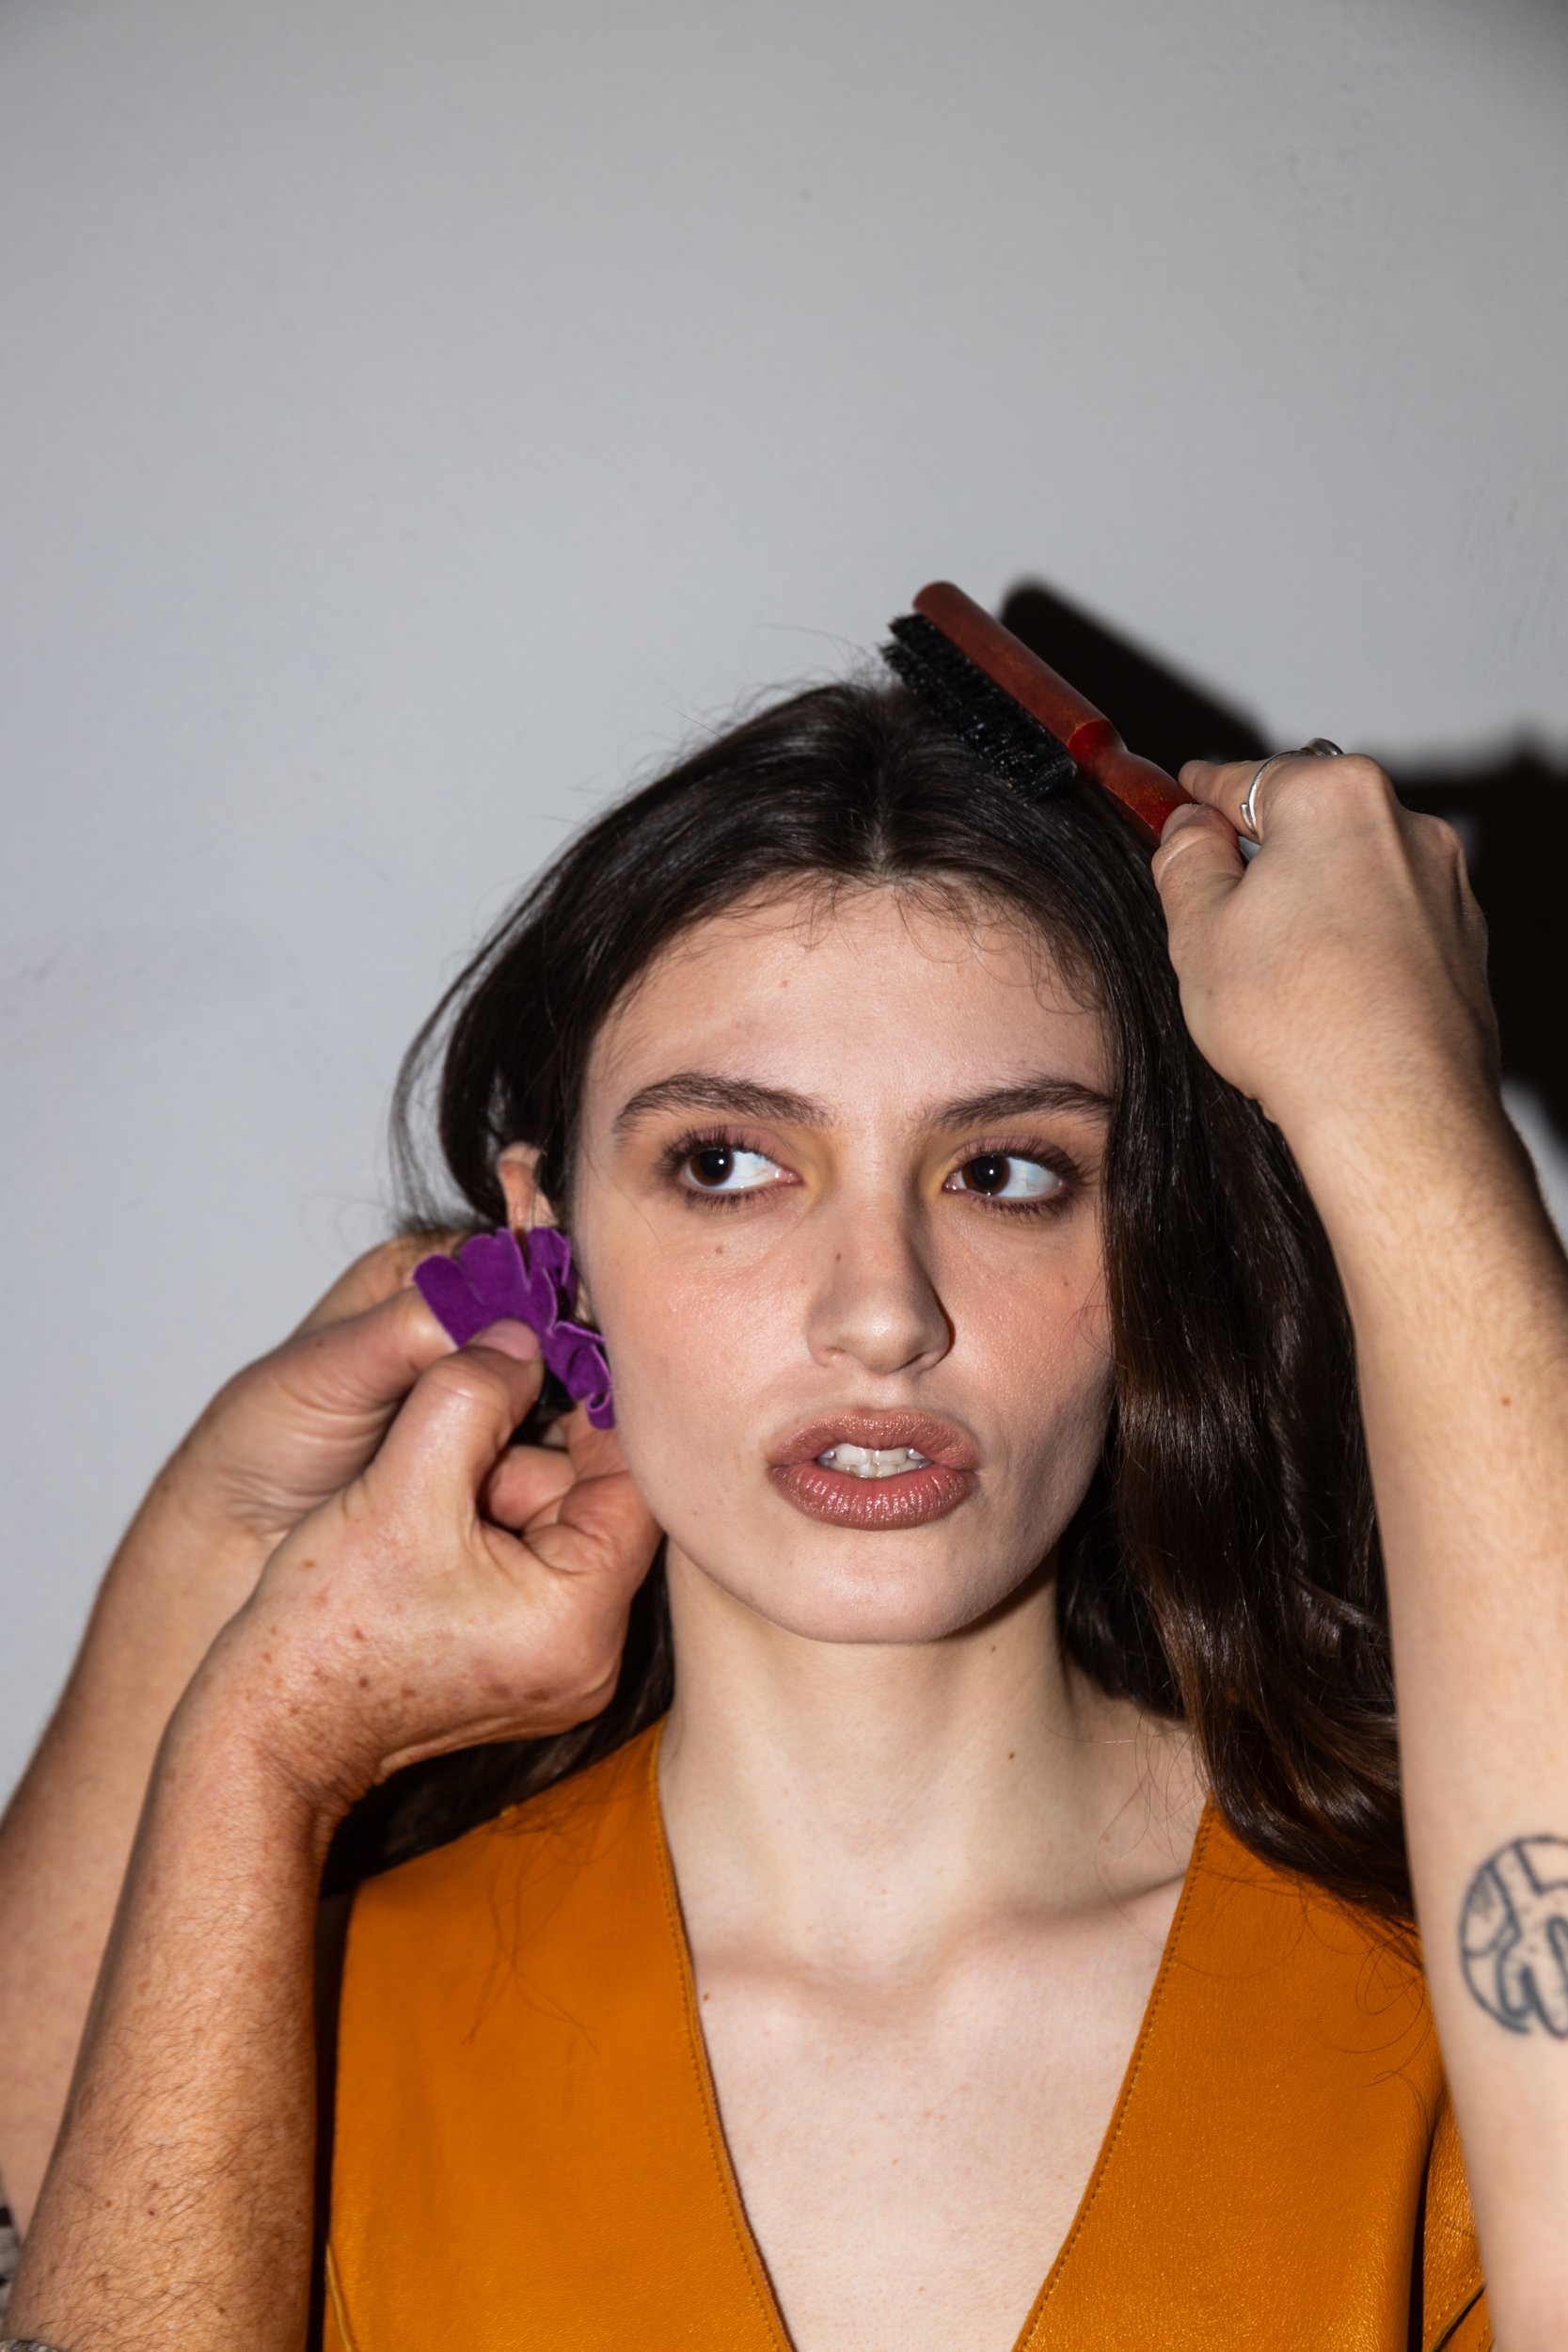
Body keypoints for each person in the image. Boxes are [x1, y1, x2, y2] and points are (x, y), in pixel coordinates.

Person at [2, 674, 1565, 2351]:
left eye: (1008, 1172)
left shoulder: (1447, 2003)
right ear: (553, 1235)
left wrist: (1403, 1110)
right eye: (729, 1164)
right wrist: (241, 1714)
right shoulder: (284, 2015)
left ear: (1147, 1245)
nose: (881, 1315)